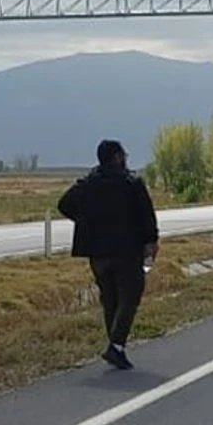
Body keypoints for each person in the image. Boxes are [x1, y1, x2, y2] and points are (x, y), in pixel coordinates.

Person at [58, 140, 159, 370]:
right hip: (126, 250)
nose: (126, 158)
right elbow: (147, 216)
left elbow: (64, 204)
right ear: (116, 157)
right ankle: (116, 345)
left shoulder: (88, 184)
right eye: (123, 154)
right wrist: (151, 242)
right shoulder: (131, 183)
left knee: (110, 299)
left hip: (98, 254)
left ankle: (115, 346)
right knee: (131, 295)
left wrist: (86, 221)